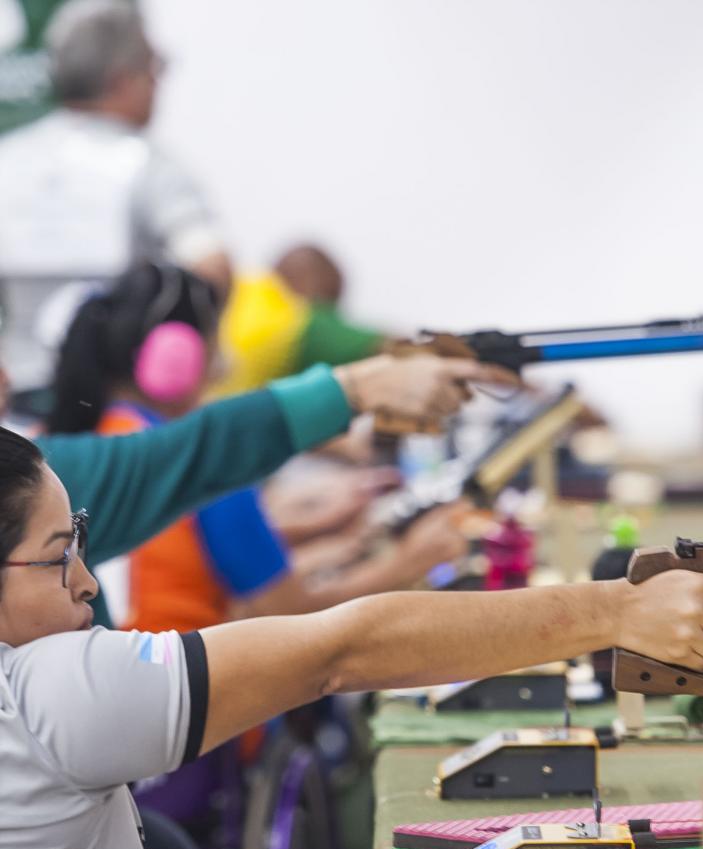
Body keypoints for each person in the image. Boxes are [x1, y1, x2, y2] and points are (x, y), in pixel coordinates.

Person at [0, 424, 703, 849]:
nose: (89, 581)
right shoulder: (52, 689)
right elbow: (344, 650)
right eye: (58, 552)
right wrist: (618, 611)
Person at [48, 263, 468, 630]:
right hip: (202, 710)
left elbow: (196, 560)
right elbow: (289, 613)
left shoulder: (108, 441)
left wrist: (322, 530)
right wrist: (412, 560)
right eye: (216, 341)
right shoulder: (200, 464)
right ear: (178, 359)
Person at [0, 0, 231, 416]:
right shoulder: (150, 166)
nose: (157, 85)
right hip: (119, 417)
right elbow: (214, 268)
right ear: (123, 79)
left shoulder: (8, 159)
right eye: (154, 69)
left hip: (18, 411)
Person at [218, 244, 384, 396]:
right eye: (328, 305)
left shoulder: (242, 287)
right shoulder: (290, 318)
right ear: (312, 283)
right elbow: (385, 347)